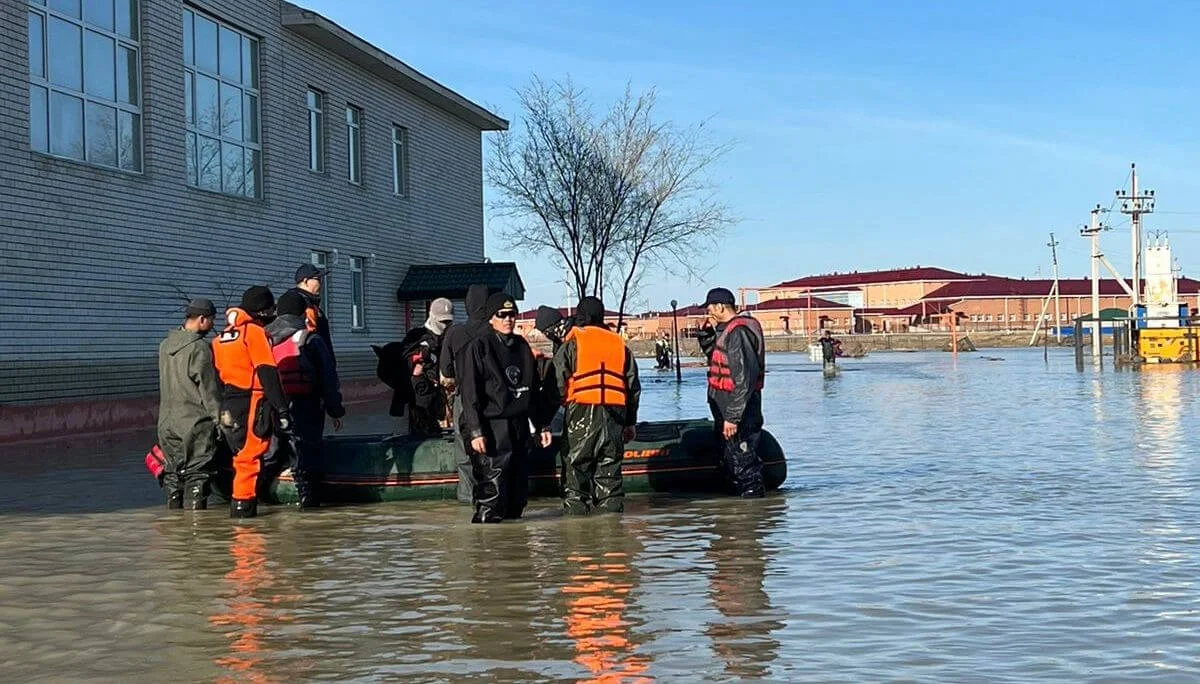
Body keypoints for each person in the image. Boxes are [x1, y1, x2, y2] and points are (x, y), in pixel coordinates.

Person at [459, 293, 553, 523]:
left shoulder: (522, 346)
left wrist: (542, 425)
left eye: (512, 314)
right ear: (492, 318)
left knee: (517, 491)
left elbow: (532, 389)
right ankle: (487, 545)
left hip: (518, 424)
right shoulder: (479, 347)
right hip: (491, 424)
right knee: (493, 490)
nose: (508, 319)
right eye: (502, 315)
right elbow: (469, 392)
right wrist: (476, 431)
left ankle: (515, 551)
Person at [553, 297, 641, 515]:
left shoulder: (572, 343)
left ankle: (578, 536)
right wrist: (630, 422)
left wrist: (557, 407)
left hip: (581, 411)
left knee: (576, 472)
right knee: (610, 474)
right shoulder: (619, 345)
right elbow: (633, 387)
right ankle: (612, 534)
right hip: (615, 415)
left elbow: (557, 380)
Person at [212, 286, 292, 518]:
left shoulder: (220, 338)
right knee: (250, 457)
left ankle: (239, 510)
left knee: (238, 455)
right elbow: (267, 371)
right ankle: (244, 515)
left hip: (228, 403)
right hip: (253, 401)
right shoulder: (254, 333)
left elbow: (215, 376)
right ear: (262, 310)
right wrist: (282, 409)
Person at [266, 293, 346, 509]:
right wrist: (335, 410)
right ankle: (308, 501)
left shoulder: (265, 338)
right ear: (302, 313)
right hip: (306, 405)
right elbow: (328, 379)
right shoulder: (311, 339)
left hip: (271, 406)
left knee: (272, 452)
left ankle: (258, 497)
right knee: (306, 451)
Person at [697, 287, 766, 498]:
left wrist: (733, 417)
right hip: (725, 406)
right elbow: (717, 358)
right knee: (731, 459)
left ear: (720, 306)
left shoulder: (739, 332)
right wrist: (706, 336)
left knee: (743, 460)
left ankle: (752, 513)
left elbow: (744, 377)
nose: (708, 312)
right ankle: (734, 519)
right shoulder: (726, 331)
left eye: (709, 308)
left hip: (738, 411)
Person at [157, 298, 222, 510]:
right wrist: (220, 420)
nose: (212, 325)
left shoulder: (165, 346)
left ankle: (175, 531)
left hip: (166, 424)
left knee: (173, 476)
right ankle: (197, 532)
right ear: (202, 319)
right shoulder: (199, 348)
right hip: (194, 423)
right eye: (211, 320)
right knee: (198, 475)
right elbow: (208, 390)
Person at [439, 284, 491, 503]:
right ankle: (492, 497)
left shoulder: (455, 332)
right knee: (492, 450)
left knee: (464, 452)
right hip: (492, 398)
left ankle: (468, 498)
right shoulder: (495, 331)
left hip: (463, 397)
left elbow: (446, 372)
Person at [404, 298, 456, 436]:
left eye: (448, 321)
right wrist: (417, 368)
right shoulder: (416, 337)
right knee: (423, 440)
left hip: (448, 400)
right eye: (442, 321)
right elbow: (404, 363)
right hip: (422, 397)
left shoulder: (453, 337)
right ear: (432, 316)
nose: (445, 325)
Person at [283, 264, 334, 364]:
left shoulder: (306, 303)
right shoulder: (304, 305)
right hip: (312, 365)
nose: (320, 283)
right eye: (317, 279)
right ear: (305, 281)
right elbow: (312, 337)